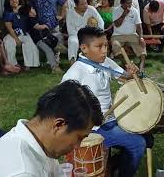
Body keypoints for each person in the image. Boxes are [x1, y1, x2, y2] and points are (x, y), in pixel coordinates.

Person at [61, 26, 146, 177]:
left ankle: (113, 165)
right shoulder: (74, 73)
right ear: (84, 48)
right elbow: (63, 107)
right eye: (99, 46)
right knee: (138, 144)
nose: (104, 50)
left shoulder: (105, 61)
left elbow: (124, 78)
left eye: (106, 45)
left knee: (146, 134)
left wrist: (133, 73)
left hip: (112, 119)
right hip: (95, 129)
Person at [0, 80, 103, 176]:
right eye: (79, 137)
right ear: (59, 125)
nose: (77, 146)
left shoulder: (41, 143)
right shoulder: (23, 172)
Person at [19, 5, 63, 73]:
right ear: (30, 13)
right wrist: (45, 26)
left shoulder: (35, 18)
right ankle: (54, 68)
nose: (34, 9)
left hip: (45, 38)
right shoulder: (30, 20)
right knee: (49, 50)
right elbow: (38, 27)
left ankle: (59, 49)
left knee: (59, 35)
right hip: (39, 40)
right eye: (32, 8)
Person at [3, 0, 40, 70]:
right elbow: (9, 28)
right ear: (8, 2)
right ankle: (13, 65)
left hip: (24, 33)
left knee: (30, 45)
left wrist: (26, 8)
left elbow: (34, 14)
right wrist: (16, 40)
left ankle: (29, 65)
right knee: (9, 44)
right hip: (12, 34)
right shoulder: (7, 13)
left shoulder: (23, 10)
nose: (14, 1)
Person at [111, 0, 147, 72]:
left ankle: (142, 65)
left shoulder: (134, 11)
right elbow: (117, 25)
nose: (130, 5)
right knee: (115, 46)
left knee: (142, 46)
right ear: (122, 3)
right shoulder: (116, 10)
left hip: (132, 34)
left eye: (130, 3)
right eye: (127, 3)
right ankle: (126, 64)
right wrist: (124, 15)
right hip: (118, 35)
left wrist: (141, 38)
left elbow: (139, 26)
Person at [66, 0, 104, 64]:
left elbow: (101, 22)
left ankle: (97, 63)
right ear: (76, 5)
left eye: (86, 3)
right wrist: (82, 38)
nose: (85, 6)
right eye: (82, 4)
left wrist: (98, 34)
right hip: (76, 36)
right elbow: (71, 30)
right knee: (72, 41)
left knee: (97, 40)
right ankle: (72, 63)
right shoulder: (70, 13)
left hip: (90, 35)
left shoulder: (91, 9)